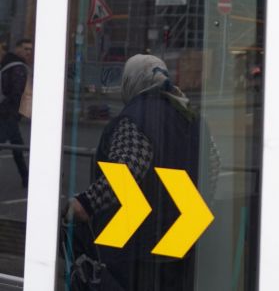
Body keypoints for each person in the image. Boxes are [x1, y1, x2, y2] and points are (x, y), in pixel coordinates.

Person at [67, 54, 219, 291]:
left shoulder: (136, 117)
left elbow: (127, 170)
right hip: (184, 232)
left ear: (132, 81)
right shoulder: (192, 114)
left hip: (136, 240)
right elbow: (213, 164)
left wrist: (84, 204)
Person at [0, 38, 32, 188]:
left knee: (18, 146)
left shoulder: (8, 63)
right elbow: (16, 93)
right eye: (25, 49)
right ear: (17, 48)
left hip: (8, 114)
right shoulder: (18, 67)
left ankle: (26, 177)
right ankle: (26, 177)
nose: (28, 52)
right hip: (8, 114)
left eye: (30, 49)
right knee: (17, 147)